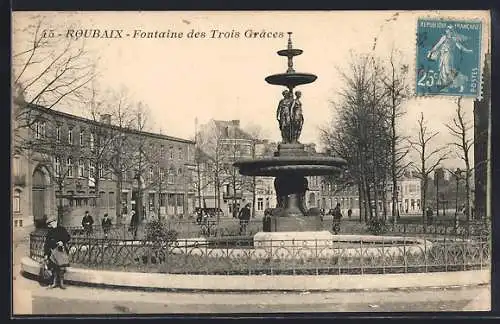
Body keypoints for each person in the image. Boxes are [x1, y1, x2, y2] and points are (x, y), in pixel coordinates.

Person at [427, 25, 473, 90]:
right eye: (448, 30)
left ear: (452, 31)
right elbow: (437, 45)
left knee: (448, 70)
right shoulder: (444, 37)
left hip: (449, 56)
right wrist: (432, 51)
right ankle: (443, 84)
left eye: (450, 30)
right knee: (442, 69)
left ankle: (460, 82)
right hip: (443, 56)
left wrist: (468, 51)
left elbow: (460, 47)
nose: (449, 31)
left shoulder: (454, 39)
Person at [43, 217, 71, 289]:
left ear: (55, 221)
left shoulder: (62, 229)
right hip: (53, 251)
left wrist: (62, 241)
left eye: (51, 223)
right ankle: (54, 283)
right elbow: (47, 243)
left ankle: (61, 283)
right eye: (49, 224)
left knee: (61, 268)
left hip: (61, 250)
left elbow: (68, 237)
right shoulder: (50, 231)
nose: (50, 225)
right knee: (54, 268)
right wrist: (46, 254)